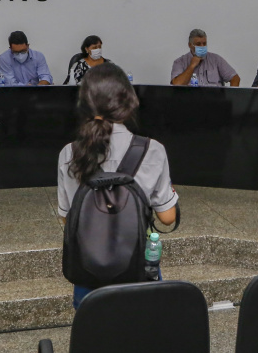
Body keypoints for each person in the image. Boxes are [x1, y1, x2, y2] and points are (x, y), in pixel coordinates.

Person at [57, 63, 179, 308]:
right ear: (129, 102)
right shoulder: (152, 149)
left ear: (85, 104)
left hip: (87, 268)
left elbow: (67, 218)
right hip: (137, 266)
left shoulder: (70, 152)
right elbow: (167, 218)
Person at [170, 28, 240, 87]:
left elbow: (235, 78)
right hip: (190, 101)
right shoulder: (180, 62)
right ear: (190, 45)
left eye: (204, 43)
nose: (202, 46)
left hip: (214, 101)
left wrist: (231, 97)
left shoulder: (216, 59)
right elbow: (177, 85)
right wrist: (192, 66)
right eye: (198, 44)